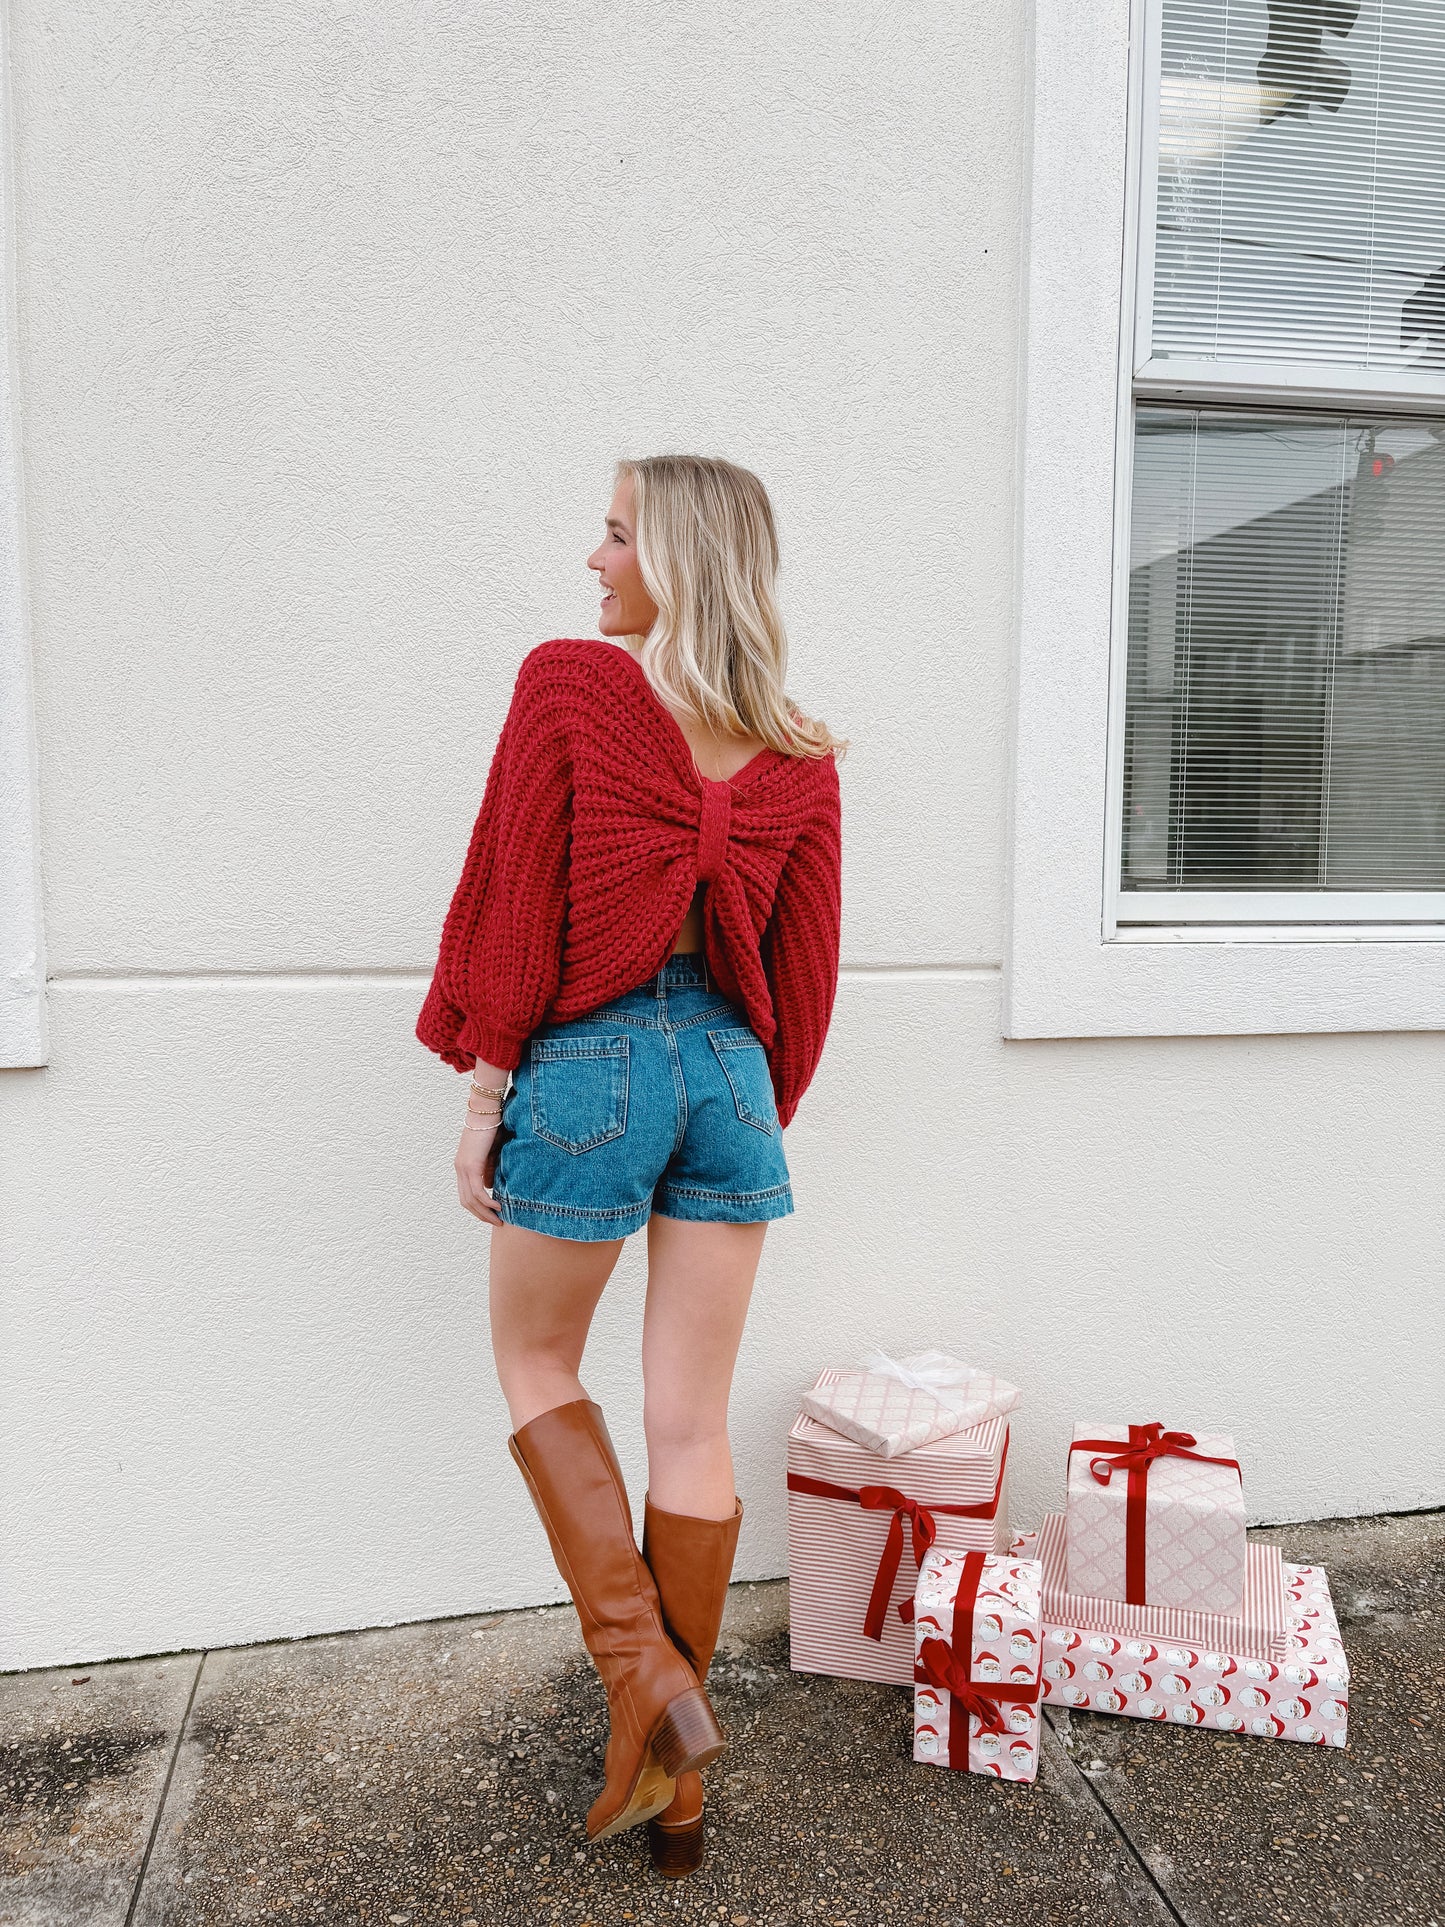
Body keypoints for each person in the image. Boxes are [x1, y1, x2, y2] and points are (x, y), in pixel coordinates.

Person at [416, 454, 846, 1877]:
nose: (591, 561)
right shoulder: (793, 744)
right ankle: (669, 1768)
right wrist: (734, 1103)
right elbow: (803, 973)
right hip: (730, 1078)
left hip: (590, 1065)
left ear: (674, 555)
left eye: (612, 536)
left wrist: (489, 1086)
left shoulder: (571, 690)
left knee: (539, 1366)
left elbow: (517, 897)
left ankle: (644, 1681)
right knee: (690, 1424)